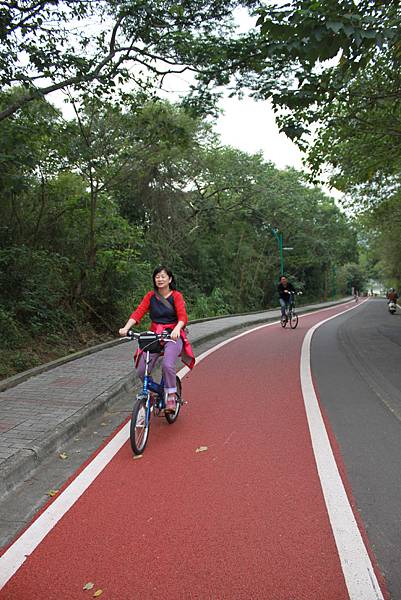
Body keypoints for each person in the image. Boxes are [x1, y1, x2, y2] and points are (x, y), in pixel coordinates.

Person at [119, 266, 195, 413]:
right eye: (157, 277)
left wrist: (177, 329)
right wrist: (126, 328)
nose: (160, 279)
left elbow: (182, 316)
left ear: (170, 279)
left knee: (167, 365)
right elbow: (139, 312)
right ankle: (153, 392)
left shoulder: (176, 296)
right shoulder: (151, 296)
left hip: (172, 335)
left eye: (163, 276)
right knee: (141, 369)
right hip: (155, 335)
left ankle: (171, 395)